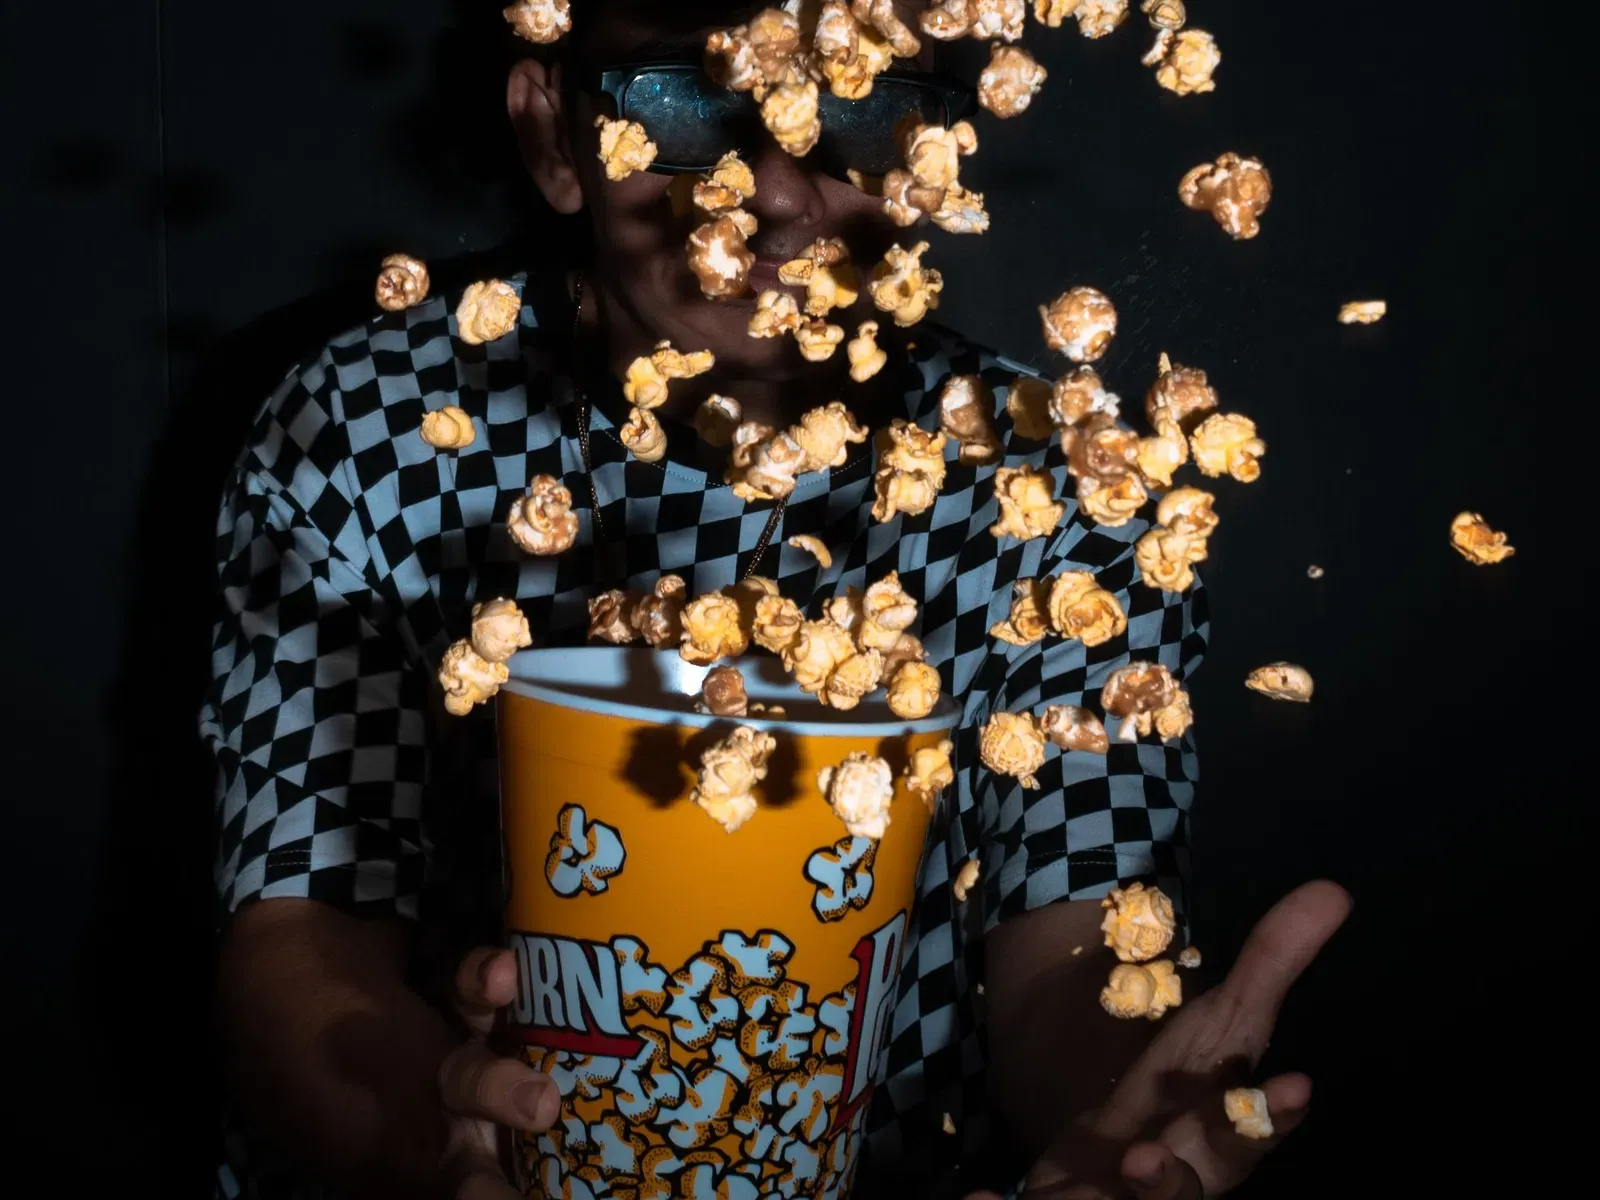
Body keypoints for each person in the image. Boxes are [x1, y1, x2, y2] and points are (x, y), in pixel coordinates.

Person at [201, 3, 1350, 1198]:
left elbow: (1077, 936)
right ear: (553, 136)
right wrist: (429, 1152)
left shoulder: (1063, 487)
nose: (778, 192)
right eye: (685, 102)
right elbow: (300, 925)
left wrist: (1119, 1128)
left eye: (861, 102)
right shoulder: (378, 430)